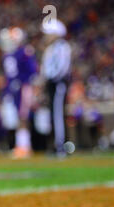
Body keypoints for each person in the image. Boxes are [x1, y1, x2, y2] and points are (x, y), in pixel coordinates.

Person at [0, 27, 38, 158]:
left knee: (23, 116)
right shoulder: (8, 55)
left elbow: (33, 72)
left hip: (23, 88)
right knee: (15, 118)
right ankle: (20, 145)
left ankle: (24, 146)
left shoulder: (24, 52)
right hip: (12, 89)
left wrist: (22, 82)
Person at [41, 19, 72, 156]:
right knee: (53, 114)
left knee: (58, 114)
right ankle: (55, 144)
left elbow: (61, 68)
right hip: (52, 83)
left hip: (58, 83)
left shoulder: (62, 47)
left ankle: (60, 146)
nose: (46, 36)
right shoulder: (51, 48)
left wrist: (50, 78)